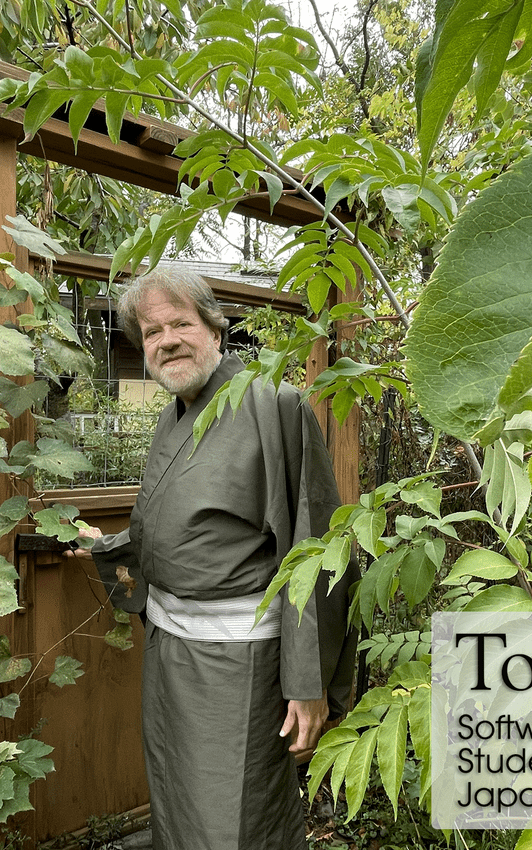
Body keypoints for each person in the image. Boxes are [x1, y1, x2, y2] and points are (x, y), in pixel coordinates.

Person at [67, 268, 355, 850]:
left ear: (215, 330)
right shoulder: (175, 412)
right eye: (151, 331)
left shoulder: (275, 404)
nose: (166, 340)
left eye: (180, 323)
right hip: (172, 657)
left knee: (236, 821)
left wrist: (308, 683)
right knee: (179, 810)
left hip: (239, 669)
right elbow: (180, 534)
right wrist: (107, 548)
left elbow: (318, 548)